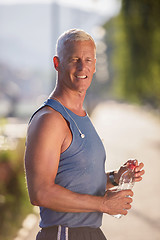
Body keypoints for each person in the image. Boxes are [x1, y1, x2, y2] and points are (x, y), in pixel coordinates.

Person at [24, 29, 145, 240]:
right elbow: (40, 192)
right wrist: (104, 204)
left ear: (95, 65)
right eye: (74, 59)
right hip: (65, 234)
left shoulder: (80, 115)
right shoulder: (50, 120)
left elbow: (75, 180)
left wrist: (115, 178)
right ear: (57, 63)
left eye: (88, 59)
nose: (82, 67)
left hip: (90, 233)